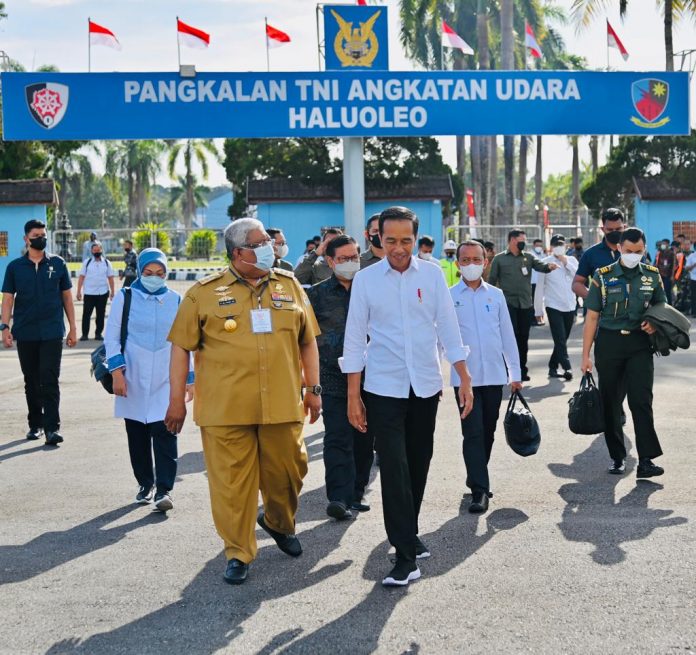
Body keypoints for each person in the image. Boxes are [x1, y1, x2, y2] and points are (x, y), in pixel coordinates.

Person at [165, 217, 321, 586]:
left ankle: (278, 522)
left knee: (290, 471)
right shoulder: (202, 293)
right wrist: (176, 401)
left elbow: (308, 339)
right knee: (232, 486)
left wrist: (313, 390)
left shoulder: (289, 285)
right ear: (238, 252)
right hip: (225, 409)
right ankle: (238, 551)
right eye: (261, 241)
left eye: (269, 239)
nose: (270, 246)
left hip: (282, 404)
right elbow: (180, 348)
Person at [342, 206, 474, 587]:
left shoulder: (432, 276)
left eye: (406, 240)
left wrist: (463, 379)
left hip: (426, 386)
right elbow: (354, 340)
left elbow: (449, 329)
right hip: (383, 387)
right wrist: (354, 395)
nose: (399, 248)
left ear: (416, 240)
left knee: (418, 463)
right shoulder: (367, 281)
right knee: (394, 467)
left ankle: (409, 531)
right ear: (378, 240)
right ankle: (403, 556)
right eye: (390, 241)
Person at [105, 248, 193, 512]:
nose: (154, 277)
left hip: (167, 377)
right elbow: (112, 337)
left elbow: (186, 343)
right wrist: (117, 373)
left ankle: (164, 489)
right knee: (137, 434)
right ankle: (145, 483)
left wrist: (189, 378)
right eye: (148, 272)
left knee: (166, 430)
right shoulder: (126, 297)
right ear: (140, 272)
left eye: (160, 273)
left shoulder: (177, 300)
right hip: (133, 375)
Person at [581, 227, 665, 478]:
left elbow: (662, 304)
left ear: (644, 249)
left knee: (641, 402)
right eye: (628, 251)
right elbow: (592, 317)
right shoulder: (603, 276)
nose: (633, 255)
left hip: (640, 345)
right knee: (611, 403)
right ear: (619, 248)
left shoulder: (652, 274)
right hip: (610, 345)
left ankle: (646, 460)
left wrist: (655, 322)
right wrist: (585, 356)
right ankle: (617, 457)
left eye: (638, 251)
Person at [450, 240, 521, 514]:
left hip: (493, 375)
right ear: (458, 264)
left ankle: (477, 476)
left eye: (476, 259)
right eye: (465, 260)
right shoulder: (449, 296)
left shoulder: (496, 296)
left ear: (485, 261)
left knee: (488, 432)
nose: (471, 265)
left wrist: (515, 372)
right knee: (473, 433)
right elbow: (443, 340)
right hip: (464, 379)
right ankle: (479, 490)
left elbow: (507, 336)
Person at [307, 235, 373, 521]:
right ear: (330, 261)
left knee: (364, 437)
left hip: (371, 375)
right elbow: (304, 338)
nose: (351, 263)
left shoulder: (371, 289)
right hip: (332, 377)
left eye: (354, 257)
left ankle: (356, 494)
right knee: (336, 438)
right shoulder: (316, 295)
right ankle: (338, 498)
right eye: (344, 259)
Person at [1, 219, 77, 446]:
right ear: (26, 239)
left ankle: (52, 428)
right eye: (36, 235)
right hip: (26, 332)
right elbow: (7, 299)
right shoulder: (14, 267)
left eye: (43, 234)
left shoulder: (58, 263)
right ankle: (36, 425)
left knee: (50, 379)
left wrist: (73, 327)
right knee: (31, 380)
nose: (40, 238)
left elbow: (66, 297)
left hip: (52, 331)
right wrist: (5, 327)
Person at [488, 230, 557, 381]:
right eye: (521, 240)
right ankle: (507, 370)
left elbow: (541, 266)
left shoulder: (528, 257)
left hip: (525, 304)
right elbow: (491, 281)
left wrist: (550, 266)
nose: (523, 243)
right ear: (512, 240)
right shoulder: (499, 259)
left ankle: (521, 370)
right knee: (509, 338)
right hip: (507, 304)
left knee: (523, 338)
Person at [534, 234, 578, 380]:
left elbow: (578, 276)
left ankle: (552, 367)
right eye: (556, 244)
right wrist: (538, 309)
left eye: (562, 244)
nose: (559, 247)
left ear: (566, 246)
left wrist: (565, 262)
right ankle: (567, 367)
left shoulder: (572, 260)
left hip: (570, 305)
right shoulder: (545, 262)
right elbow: (539, 287)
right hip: (553, 305)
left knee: (563, 339)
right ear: (552, 247)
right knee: (559, 338)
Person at [77, 241, 115, 341]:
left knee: (101, 314)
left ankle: (98, 334)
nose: (97, 252)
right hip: (89, 293)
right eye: (95, 250)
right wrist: (78, 291)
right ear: (91, 251)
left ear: (101, 250)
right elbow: (81, 277)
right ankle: (84, 334)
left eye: (99, 250)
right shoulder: (87, 263)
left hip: (102, 293)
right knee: (86, 314)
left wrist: (112, 292)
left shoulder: (107, 263)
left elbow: (111, 278)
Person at [654, 238, 675, 305]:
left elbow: (674, 265)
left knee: (667, 291)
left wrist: (672, 275)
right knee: (661, 291)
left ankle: (670, 305)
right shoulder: (660, 253)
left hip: (668, 275)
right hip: (660, 275)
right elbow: (656, 263)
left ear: (668, 244)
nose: (663, 245)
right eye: (662, 244)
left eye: (664, 244)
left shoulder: (671, 253)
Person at [530, 239, 546, 325]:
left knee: (540, 300)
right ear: (533, 245)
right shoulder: (530, 255)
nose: (539, 247)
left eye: (540, 245)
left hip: (541, 282)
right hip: (532, 281)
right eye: (537, 245)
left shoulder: (544, 255)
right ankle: (533, 319)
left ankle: (540, 318)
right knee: (533, 300)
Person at [685, 247, 696, 317]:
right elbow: (687, 268)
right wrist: (694, 265)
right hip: (694, 279)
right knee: (694, 296)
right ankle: (694, 312)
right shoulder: (691, 256)